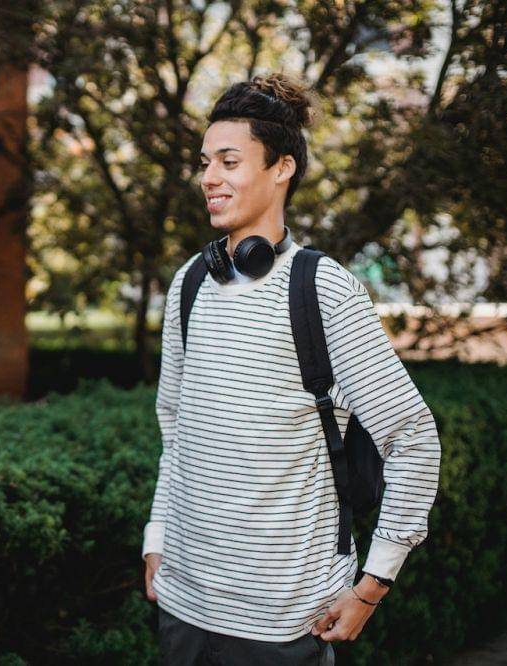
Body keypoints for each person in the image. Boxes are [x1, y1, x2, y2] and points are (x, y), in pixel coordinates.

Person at [142, 75, 441, 665]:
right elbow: (176, 429)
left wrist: (373, 584)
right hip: (182, 604)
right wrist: (157, 536)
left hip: (284, 621)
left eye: (229, 161)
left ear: (282, 168)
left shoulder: (322, 289)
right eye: (205, 162)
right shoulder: (189, 284)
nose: (208, 177)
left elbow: (413, 438)